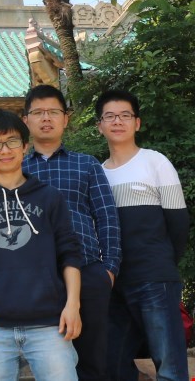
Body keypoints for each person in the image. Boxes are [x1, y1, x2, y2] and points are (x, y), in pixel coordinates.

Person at [0, 109, 81, 381]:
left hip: (49, 324)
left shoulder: (49, 198)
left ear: (25, 146)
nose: (4, 149)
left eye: (11, 141)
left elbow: (69, 254)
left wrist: (73, 305)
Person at [21, 84, 121, 381]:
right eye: (38, 112)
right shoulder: (16, 169)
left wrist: (109, 271)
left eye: (53, 111)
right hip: (35, 278)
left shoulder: (86, 165)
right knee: (47, 363)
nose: (46, 118)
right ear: (25, 119)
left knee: (92, 360)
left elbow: (108, 218)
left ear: (66, 118)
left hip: (89, 271)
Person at [95, 90, 190, 381]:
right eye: (109, 116)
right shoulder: (98, 173)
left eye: (125, 115)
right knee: (113, 363)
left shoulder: (155, 162)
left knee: (170, 365)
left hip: (154, 279)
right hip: (113, 283)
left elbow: (179, 224)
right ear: (100, 126)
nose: (117, 121)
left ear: (137, 123)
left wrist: (159, 264)